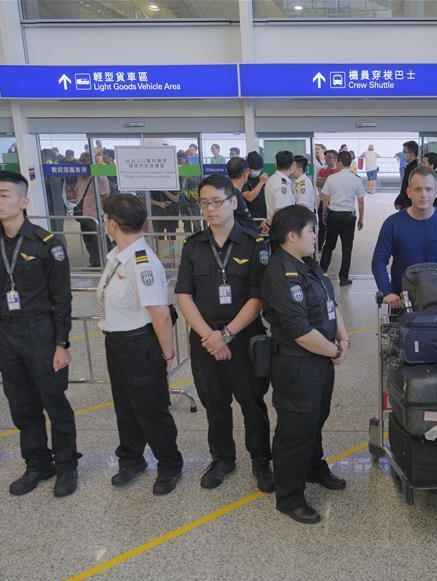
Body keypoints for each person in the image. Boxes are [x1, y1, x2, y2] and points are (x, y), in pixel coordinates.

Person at [0, 171, 79, 497]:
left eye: (4, 195)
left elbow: (62, 298)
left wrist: (61, 343)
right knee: (22, 406)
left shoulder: (48, 244)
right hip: (6, 334)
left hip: (41, 331)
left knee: (55, 403)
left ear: (24, 201)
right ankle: (37, 463)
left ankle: (66, 466)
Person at [176, 176, 273, 492]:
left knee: (252, 403)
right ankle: (222, 459)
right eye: (204, 202)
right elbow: (184, 296)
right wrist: (210, 337)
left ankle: (261, 460)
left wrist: (227, 334)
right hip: (205, 341)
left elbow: (257, 298)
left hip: (243, 339)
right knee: (214, 403)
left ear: (234, 202)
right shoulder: (193, 247)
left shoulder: (254, 244)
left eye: (217, 201)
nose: (210, 208)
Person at [260, 205, 350, 524]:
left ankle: (314, 468)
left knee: (316, 419)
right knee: (295, 430)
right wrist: (333, 351)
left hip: (320, 361)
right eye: (311, 230)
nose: (315, 236)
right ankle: (289, 496)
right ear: (291, 235)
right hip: (297, 366)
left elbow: (330, 303)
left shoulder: (309, 265)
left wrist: (343, 338)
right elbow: (299, 331)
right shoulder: (279, 273)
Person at [98, 192, 183, 496]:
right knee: (125, 407)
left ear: (111, 224)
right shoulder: (117, 258)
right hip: (117, 343)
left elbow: (160, 315)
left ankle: (169, 464)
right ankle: (131, 460)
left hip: (139, 345)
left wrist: (167, 355)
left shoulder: (142, 263)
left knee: (151, 410)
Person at [372, 166, 437, 308]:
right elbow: (379, 261)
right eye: (418, 189)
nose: (423, 194)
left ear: (436, 192)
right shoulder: (393, 224)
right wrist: (387, 292)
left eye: (429, 189)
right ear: (409, 192)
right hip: (403, 302)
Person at [319, 151, 365, 287]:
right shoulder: (356, 179)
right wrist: (361, 219)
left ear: (339, 162)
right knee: (347, 248)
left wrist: (324, 214)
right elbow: (361, 201)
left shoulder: (332, 179)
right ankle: (343, 278)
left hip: (334, 215)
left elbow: (325, 198)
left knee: (329, 245)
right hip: (349, 217)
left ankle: (321, 273)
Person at [75, 152, 109, 268]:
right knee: (89, 241)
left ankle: (107, 264)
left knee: (101, 241)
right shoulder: (80, 176)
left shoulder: (99, 176)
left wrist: (106, 214)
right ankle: (95, 264)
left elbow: (105, 197)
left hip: (96, 216)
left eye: (86, 161)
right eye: (82, 161)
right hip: (83, 215)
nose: (83, 164)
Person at [315, 149, 340, 252]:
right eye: (326, 157)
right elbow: (317, 183)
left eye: (329, 157)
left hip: (334, 203)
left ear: (335, 159)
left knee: (333, 227)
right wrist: (329, 181)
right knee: (322, 225)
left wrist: (325, 181)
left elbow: (336, 187)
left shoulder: (339, 172)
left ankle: (329, 246)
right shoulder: (322, 170)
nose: (327, 159)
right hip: (322, 201)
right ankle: (320, 245)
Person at [264, 150, 297, 224]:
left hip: (278, 224)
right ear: (292, 165)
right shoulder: (281, 183)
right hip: (282, 226)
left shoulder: (274, 178)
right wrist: (268, 224)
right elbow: (279, 209)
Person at [226, 156, 257, 230]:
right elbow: (246, 221)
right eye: (247, 171)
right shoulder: (234, 195)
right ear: (244, 173)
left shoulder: (227, 192)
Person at [241, 151, 268, 224]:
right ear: (248, 168)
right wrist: (261, 183)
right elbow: (249, 198)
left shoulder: (264, 176)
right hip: (252, 219)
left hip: (265, 218)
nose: (257, 171)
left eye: (259, 169)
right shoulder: (244, 178)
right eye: (255, 170)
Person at [394, 141, 419, 210]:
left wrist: (400, 201)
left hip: (409, 205)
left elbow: (409, 188)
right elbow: (404, 186)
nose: (402, 154)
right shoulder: (409, 167)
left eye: (404, 152)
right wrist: (398, 200)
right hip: (405, 204)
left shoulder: (414, 170)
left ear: (411, 154)